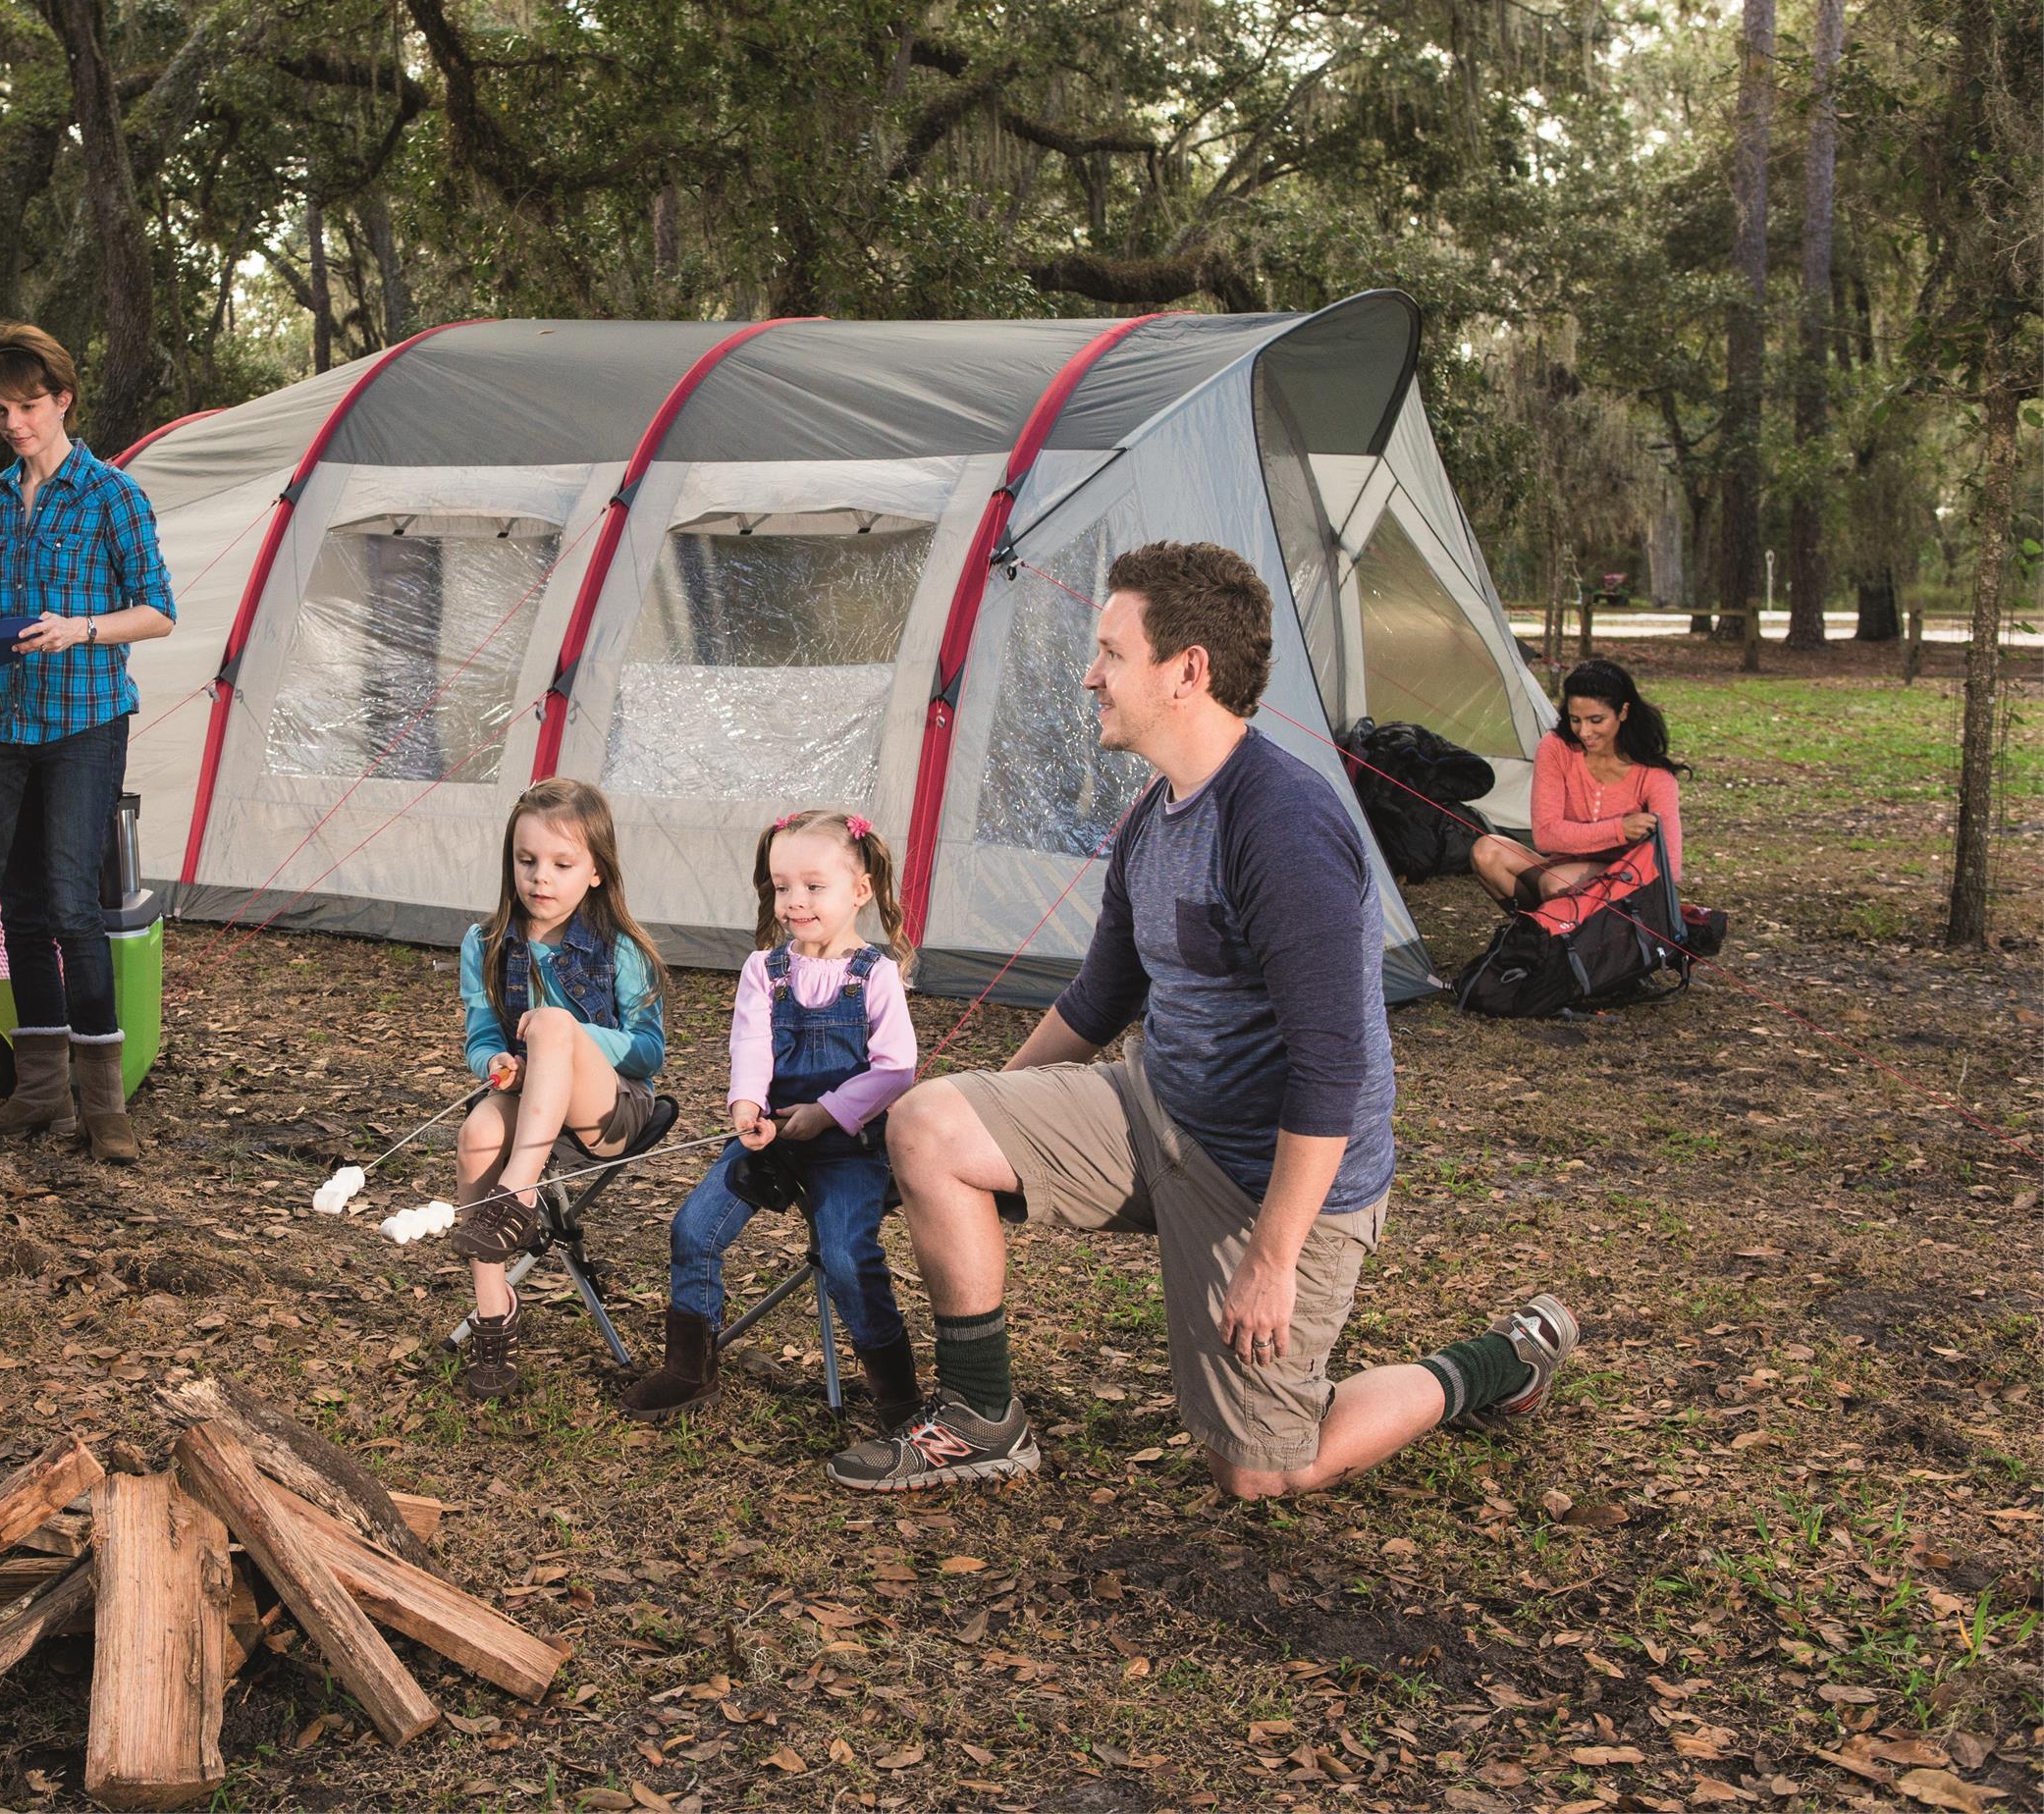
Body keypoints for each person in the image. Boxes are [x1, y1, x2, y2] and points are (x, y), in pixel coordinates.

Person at [828, 541, 1580, 1497]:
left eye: (1111, 651)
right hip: (1158, 1112)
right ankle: (981, 1418)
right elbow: (1099, 1000)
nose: (1089, 673)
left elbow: (1328, 1069)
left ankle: (1494, 1363)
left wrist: (1270, 1255)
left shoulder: (1282, 824)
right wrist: (984, 1116)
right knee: (931, 1123)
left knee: (1262, 1469)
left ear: (1188, 670)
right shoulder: (1158, 814)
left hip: (1276, 1179)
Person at [0, 321, 178, 1169]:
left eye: (29, 405)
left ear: (63, 399)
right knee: (19, 907)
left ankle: (103, 1106)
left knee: (75, 907)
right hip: (0, 725)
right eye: (1, 409)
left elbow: (157, 610)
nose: (14, 422)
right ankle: (36, 1091)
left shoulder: (112, 495)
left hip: (84, 721)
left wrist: (81, 628)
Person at [621, 811, 921, 1430]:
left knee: (844, 1251)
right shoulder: (766, 969)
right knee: (693, 1229)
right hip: (772, 1140)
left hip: (849, 1144)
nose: (794, 901)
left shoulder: (877, 975)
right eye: (782, 886)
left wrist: (826, 1113)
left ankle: (898, 1395)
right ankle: (689, 1369)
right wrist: (746, 1108)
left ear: (860, 890)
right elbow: (751, 1047)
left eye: (814, 886)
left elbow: (896, 1069)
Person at [448, 779, 669, 1404]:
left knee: (551, 1022)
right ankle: (495, 1313)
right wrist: (496, 1064)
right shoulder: (485, 943)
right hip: (529, 1102)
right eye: (527, 861)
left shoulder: (621, 949)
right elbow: (482, 1034)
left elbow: (648, 1053)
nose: (540, 877)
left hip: (608, 1110)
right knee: (477, 1132)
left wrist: (566, 1039)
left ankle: (517, 1191)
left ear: (596, 871)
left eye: (562, 864)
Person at [1472, 659, 1688, 908]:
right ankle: (1542, 933)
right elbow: (1545, 837)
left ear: (1623, 712)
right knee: (1487, 851)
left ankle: (1566, 934)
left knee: (1556, 883)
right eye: (1576, 720)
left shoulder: (1655, 776)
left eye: (1596, 720)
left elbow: (1669, 868)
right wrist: (1620, 830)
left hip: (1624, 886)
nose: (1584, 732)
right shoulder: (1557, 749)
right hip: (1561, 870)